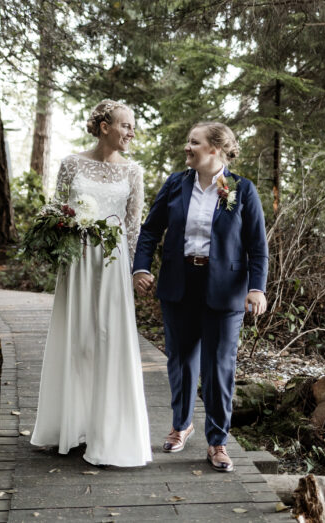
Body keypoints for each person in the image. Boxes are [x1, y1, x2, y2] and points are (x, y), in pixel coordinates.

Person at [132, 122, 268, 473]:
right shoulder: (176, 184)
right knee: (180, 361)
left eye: (194, 142)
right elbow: (150, 230)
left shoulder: (241, 189)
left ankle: (218, 441)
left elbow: (257, 246)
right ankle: (181, 425)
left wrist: (257, 288)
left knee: (219, 366)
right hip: (179, 284)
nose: (187, 147)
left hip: (224, 290)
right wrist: (141, 268)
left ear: (214, 149)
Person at [30, 100, 152, 467]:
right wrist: (63, 234)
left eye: (132, 126)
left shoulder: (133, 172)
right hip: (77, 261)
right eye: (125, 125)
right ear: (103, 127)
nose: (131, 132)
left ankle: (109, 432)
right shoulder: (71, 164)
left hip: (112, 267)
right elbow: (55, 211)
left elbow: (133, 226)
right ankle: (71, 426)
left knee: (108, 340)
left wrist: (132, 271)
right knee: (78, 339)